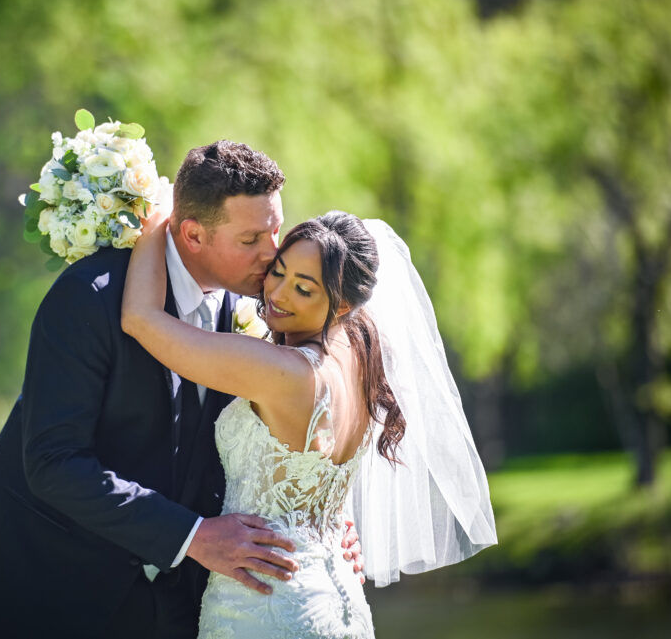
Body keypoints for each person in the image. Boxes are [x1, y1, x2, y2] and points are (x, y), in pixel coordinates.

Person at [0, 141, 362, 639]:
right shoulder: (89, 299)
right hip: (54, 592)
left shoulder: (259, 311)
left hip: (178, 602)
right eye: (251, 239)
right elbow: (53, 462)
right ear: (192, 234)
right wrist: (193, 536)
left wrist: (315, 518)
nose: (272, 254)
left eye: (274, 229)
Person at [121, 211, 498, 638]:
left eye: (302, 288)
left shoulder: (284, 372)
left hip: (263, 605)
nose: (278, 294)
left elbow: (140, 320)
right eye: (277, 272)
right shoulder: (363, 355)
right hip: (339, 598)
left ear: (341, 304)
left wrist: (155, 222)